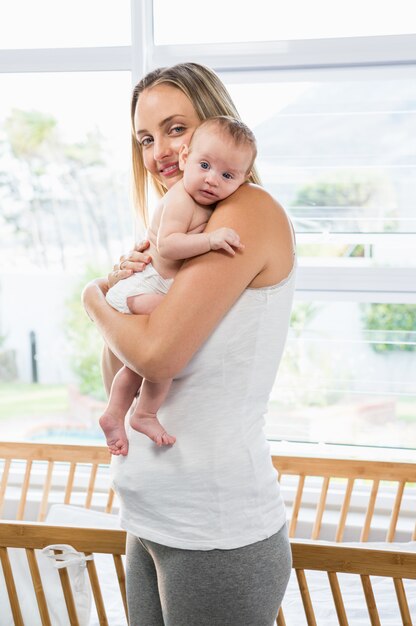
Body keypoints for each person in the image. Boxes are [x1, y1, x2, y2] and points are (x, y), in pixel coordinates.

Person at [83, 62, 296, 626]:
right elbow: (122, 384)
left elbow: (159, 357)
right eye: (146, 139)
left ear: (215, 122)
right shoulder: (180, 236)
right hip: (153, 518)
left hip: (216, 528)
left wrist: (94, 300)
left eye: (175, 129)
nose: (160, 152)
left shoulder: (247, 210)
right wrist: (127, 286)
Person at [100, 116, 256, 455]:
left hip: (150, 287)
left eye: (227, 175)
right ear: (187, 159)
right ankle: (144, 412)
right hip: (145, 287)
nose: (212, 179)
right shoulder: (181, 198)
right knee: (171, 342)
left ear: (242, 180)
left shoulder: (220, 204)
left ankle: (116, 413)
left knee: (139, 362)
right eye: (204, 165)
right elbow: (169, 245)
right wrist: (211, 240)